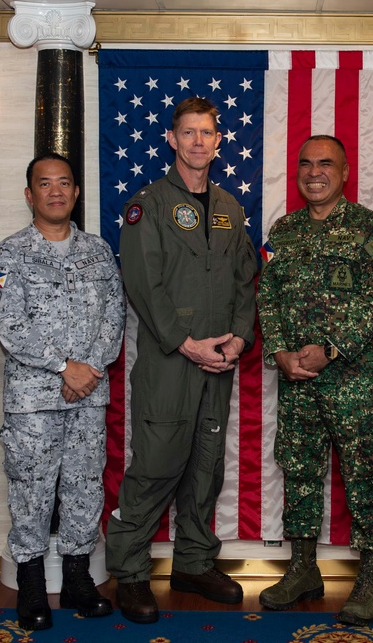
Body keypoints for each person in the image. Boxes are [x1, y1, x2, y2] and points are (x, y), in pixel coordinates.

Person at [106, 96, 257, 624]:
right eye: (188, 132)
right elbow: (143, 286)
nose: (197, 141)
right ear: (171, 139)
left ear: (219, 142)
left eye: (206, 133)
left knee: (205, 469)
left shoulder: (230, 207)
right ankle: (129, 572)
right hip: (171, 362)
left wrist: (238, 339)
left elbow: (245, 281)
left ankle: (194, 562)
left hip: (219, 361)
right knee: (155, 468)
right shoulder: (146, 205)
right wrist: (187, 343)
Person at [256, 135, 373, 626]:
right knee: (298, 472)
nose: (314, 172)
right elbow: (267, 295)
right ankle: (302, 570)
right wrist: (278, 351)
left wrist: (331, 348)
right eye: (305, 163)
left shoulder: (370, 228)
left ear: (344, 172)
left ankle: (369, 578)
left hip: (352, 380)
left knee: (363, 475)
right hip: (297, 379)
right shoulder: (285, 230)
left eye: (325, 164)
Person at [0, 153, 125, 630]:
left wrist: (90, 370)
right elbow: (8, 324)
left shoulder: (99, 252)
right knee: (31, 488)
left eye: (64, 183)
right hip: (33, 399)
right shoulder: (9, 254)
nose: (56, 191)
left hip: (89, 395)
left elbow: (115, 315)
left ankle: (77, 578)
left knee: (85, 486)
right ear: (30, 195)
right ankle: (30, 585)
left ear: (76, 192)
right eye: (45, 184)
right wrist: (65, 367)